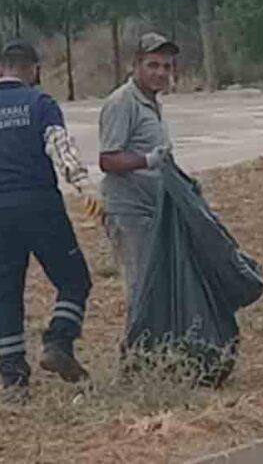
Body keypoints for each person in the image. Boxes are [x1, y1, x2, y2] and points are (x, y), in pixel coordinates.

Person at [0, 40, 98, 403]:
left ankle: (13, 380)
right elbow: (60, 147)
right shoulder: (41, 104)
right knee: (74, 279)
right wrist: (83, 184)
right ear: (34, 70)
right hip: (39, 205)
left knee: (6, 292)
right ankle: (58, 341)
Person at [99, 33, 178, 344]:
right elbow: (108, 159)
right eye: (152, 65)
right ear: (136, 66)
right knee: (141, 285)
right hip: (129, 210)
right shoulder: (122, 103)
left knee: (156, 282)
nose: (160, 72)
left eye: (166, 67)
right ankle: (136, 357)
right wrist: (147, 160)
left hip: (153, 207)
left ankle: (156, 348)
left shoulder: (152, 104)